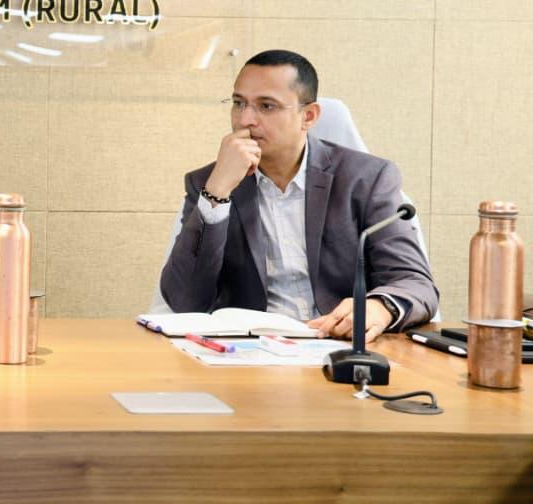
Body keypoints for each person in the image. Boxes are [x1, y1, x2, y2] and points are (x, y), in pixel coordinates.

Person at [160, 50, 438, 341]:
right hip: (251, 350)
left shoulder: (365, 179)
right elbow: (184, 301)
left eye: (266, 106)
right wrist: (216, 193)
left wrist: (378, 308)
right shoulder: (209, 182)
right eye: (239, 103)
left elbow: (415, 283)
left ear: (309, 116)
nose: (245, 120)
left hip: (341, 344)